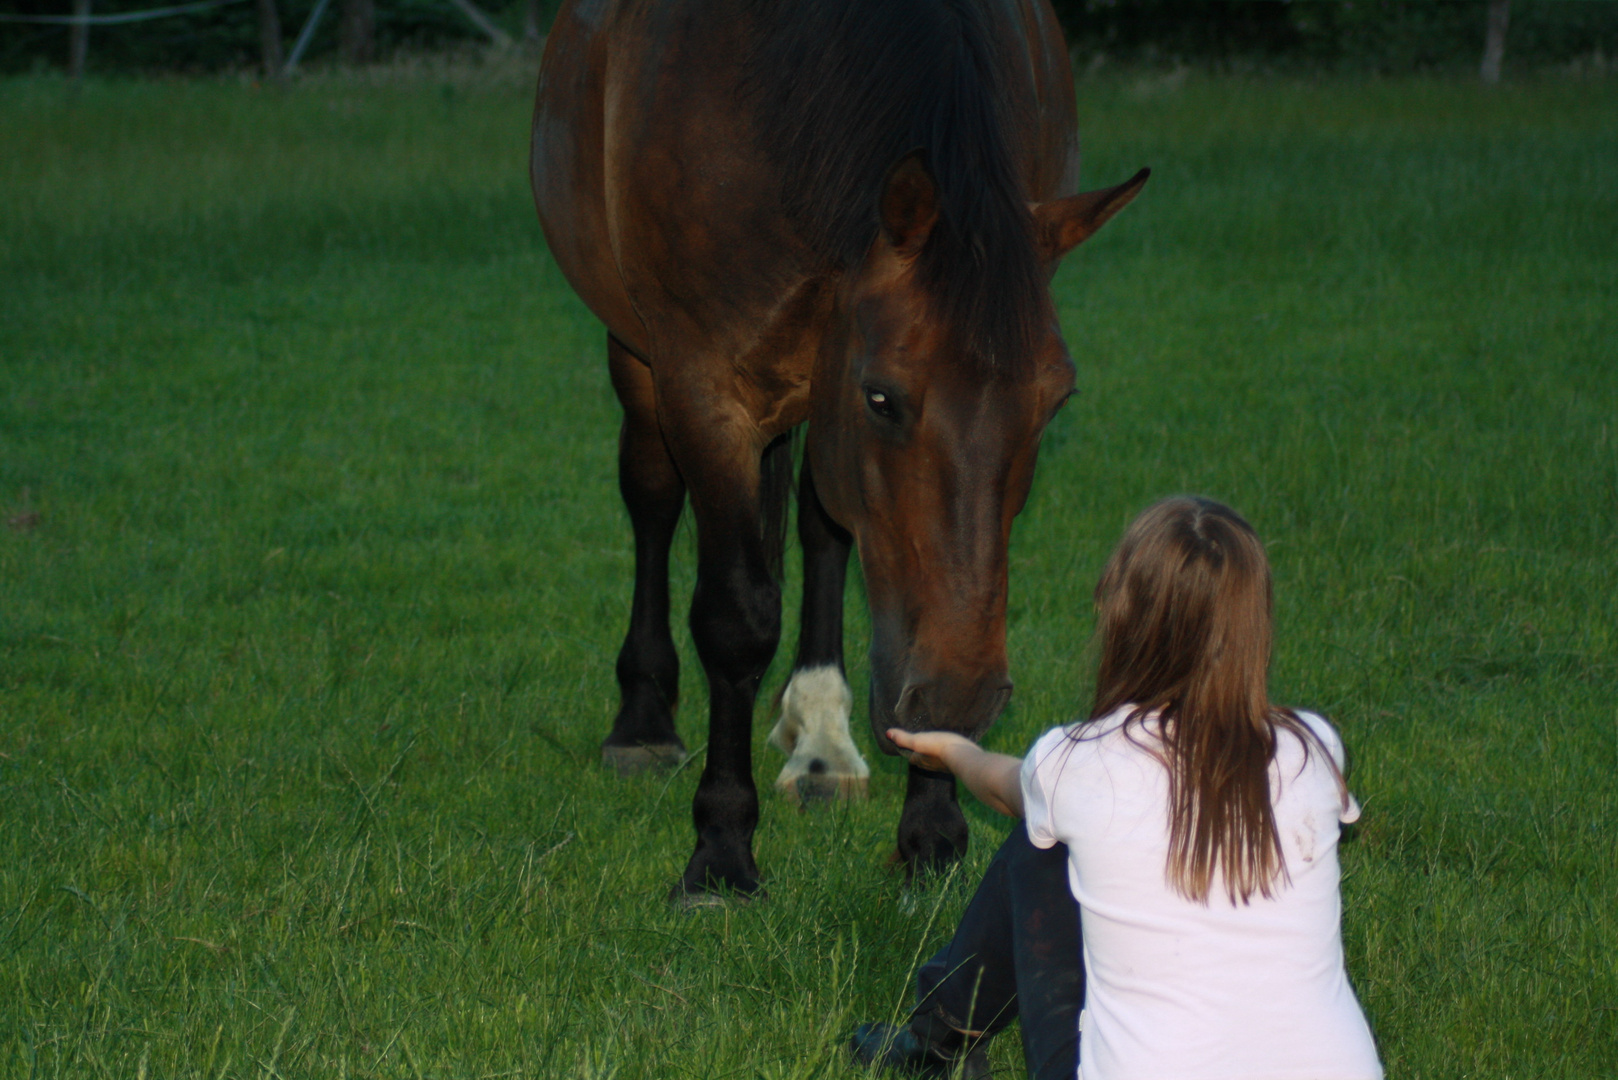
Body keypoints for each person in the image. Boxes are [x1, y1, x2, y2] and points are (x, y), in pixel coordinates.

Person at [850, 496, 1383, 1080]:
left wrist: (956, 751)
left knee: (1040, 844)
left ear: (1122, 616)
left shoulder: (1080, 765)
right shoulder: (1313, 747)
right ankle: (937, 1035)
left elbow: (999, 786)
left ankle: (934, 1039)